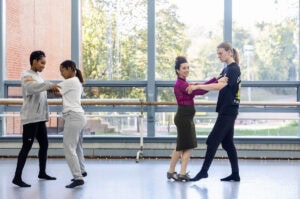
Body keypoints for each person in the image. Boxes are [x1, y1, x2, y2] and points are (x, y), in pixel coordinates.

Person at [167, 56, 227, 182]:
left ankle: (173, 172)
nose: (186, 70)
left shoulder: (185, 83)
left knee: (183, 146)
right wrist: (216, 80)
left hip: (186, 117)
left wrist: (216, 79)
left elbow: (200, 87)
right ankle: (179, 173)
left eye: (188, 68)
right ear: (178, 70)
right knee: (185, 146)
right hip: (183, 118)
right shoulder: (181, 84)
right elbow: (200, 90)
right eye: (184, 68)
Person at [187, 42, 241, 182]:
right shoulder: (226, 69)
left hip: (228, 111)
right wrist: (196, 86)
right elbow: (214, 81)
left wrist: (197, 86)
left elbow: (219, 86)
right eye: (217, 53)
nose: (218, 56)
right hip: (227, 110)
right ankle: (235, 174)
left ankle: (204, 172)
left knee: (212, 141)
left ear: (230, 52)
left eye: (221, 53)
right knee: (227, 143)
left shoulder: (233, 69)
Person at [12, 50, 60, 187]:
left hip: (39, 118)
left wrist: (51, 90)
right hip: (31, 118)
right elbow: (32, 88)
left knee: (44, 144)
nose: (44, 66)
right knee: (26, 147)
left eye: (45, 63)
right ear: (34, 61)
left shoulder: (39, 76)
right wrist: (49, 85)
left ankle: (42, 172)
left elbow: (41, 90)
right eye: (42, 63)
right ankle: (17, 177)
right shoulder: (26, 75)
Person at [55, 60, 87, 188]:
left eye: (62, 71)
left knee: (69, 147)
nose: (61, 74)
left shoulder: (70, 81)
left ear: (69, 69)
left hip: (73, 117)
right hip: (79, 116)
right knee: (77, 147)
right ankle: (82, 171)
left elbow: (54, 88)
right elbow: (60, 92)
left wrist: (39, 85)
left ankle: (78, 177)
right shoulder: (76, 82)